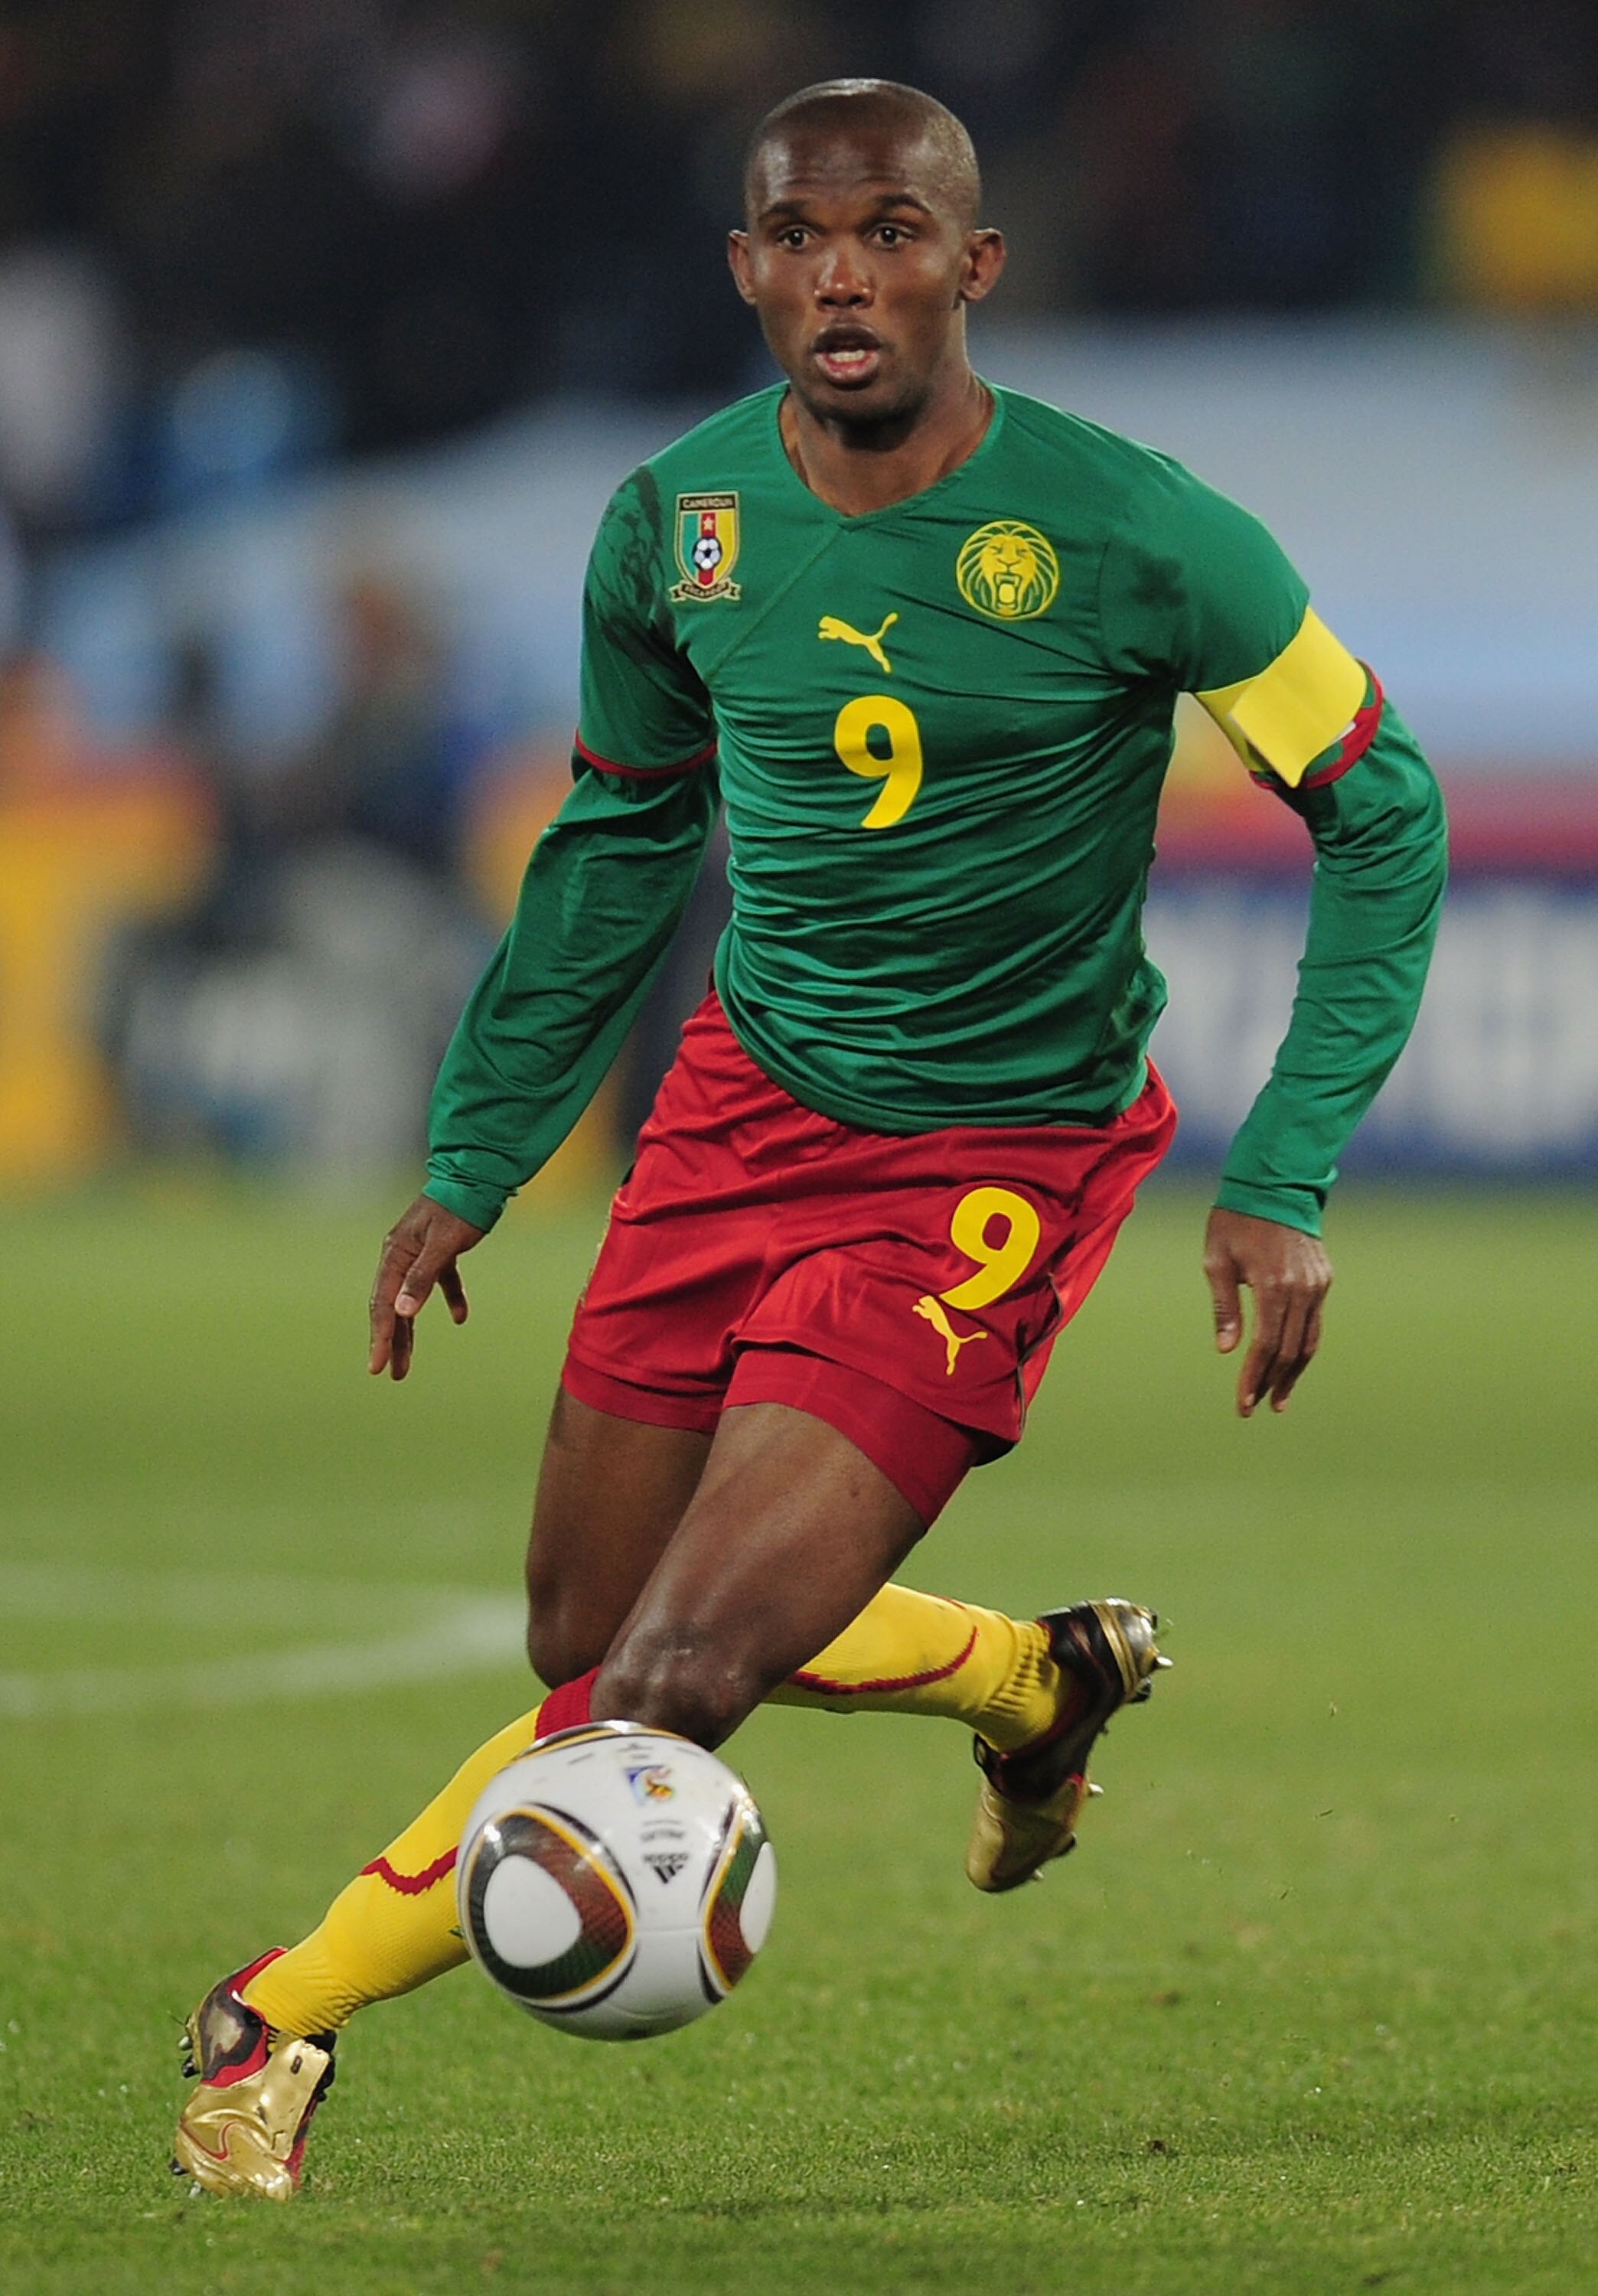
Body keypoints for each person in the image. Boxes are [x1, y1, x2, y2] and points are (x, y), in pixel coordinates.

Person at [172, 79, 1447, 2200]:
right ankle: (1030, 1679)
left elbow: (1383, 809)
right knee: (583, 1645)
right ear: (747, 267)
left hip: (989, 1166)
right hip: (738, 1114)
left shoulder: (1141, 531)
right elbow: (618, 840)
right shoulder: (675, 521)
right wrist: (476, 1156)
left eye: (892, 234)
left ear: (976, 265)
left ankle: (269, 2015)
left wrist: (1286, 1174)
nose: (845, 277)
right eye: (801, 237)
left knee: (664, 1687)